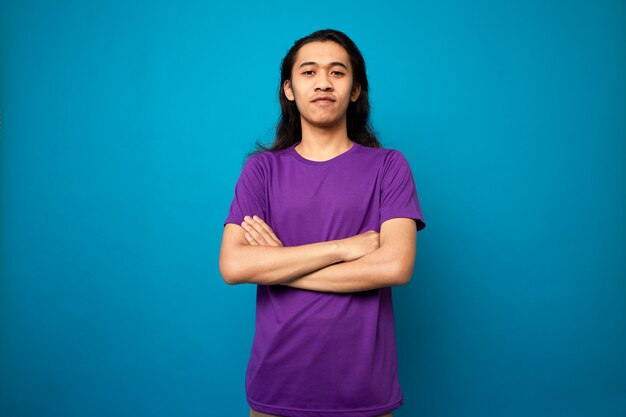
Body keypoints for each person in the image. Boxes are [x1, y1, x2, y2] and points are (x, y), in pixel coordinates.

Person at [219, 28, 426, 417]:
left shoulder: (389, 166)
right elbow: (233, 266)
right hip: (276, 385)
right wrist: (342, 249)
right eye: (309, 72)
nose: (323, 83)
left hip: (365, 390)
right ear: (289, 89)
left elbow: (395, 267)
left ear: (355, 90)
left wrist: (278, 266)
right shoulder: (261, 170)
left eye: (337, 72)